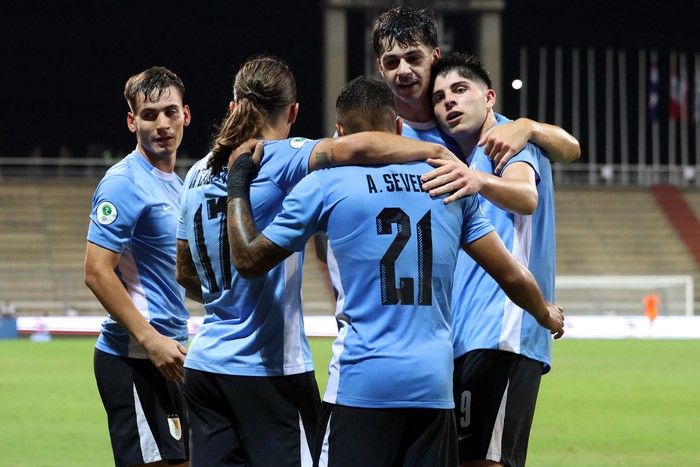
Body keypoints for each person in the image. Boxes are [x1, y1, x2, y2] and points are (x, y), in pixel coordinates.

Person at [226, 76, 565, 467]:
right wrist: (544, 312)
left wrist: (238, 186)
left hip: (360, 383)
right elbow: (511, 275)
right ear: (399, 128)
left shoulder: (322, 184)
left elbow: (249, 260)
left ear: (339, 132)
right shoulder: (448, 183)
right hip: (433, 388)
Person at [175, 55, 459, 467]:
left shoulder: (197, 172)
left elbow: (186, 273)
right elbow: (360, 145)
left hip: (204, 366)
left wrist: (230, 302)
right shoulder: (279, 156)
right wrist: (434, 149)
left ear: (234, 106)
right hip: (268, 369)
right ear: (293, 112)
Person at [426, 51, 560, 467]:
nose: (449, 101)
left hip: (503, 336)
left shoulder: (506, 140)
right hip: (468, 342)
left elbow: (526, 197)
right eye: (439, 97)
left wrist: (478, 178)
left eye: (460, 90)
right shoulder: (464, 158)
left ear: (489, 98)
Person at [84, 66, 191, 467]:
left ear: (186, 115)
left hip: (169, 354)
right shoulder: (123, 182)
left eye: (170, 112)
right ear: (133, 121)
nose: (162, 124)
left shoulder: (177, 185)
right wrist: (150, 339)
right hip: (133, 358)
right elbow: (96, 271)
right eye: (149, 115)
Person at [371, 5, 580, 171]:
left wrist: (529, 127)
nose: (404, 70)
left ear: (435, 56)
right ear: (380, 67)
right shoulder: (369, 128)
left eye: (413, 57)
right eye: (392, 62)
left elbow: (571, 150)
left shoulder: (461, 123)